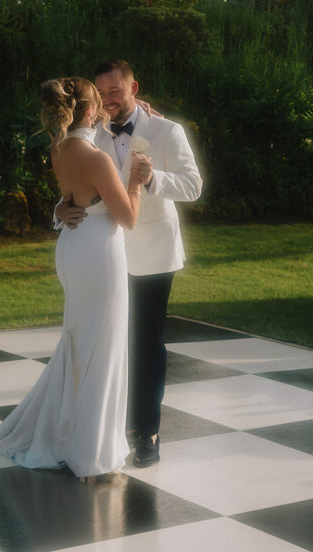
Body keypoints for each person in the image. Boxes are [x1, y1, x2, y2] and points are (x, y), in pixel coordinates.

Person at [0, 76, 145, 481]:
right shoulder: (97, 158)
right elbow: (127, 218)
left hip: (74, 247)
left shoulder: (59, 149)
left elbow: (71, 198)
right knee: (103, 347)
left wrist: (59, 209)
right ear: (90, 110)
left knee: (79, 342)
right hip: (99, 253)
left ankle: (67, 436)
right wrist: (135, 183)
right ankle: (91, 452)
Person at [56, 59, 202, 468]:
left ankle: (148, 432)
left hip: (154, 253)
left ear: (133, 88)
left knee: (147, 344)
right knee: (108, 342)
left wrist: (153, 179)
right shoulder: (91, 133)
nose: (108, 101)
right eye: (101, 93)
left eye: (115, 92)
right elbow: (76, 183)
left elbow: (193, 186)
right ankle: (109, 428)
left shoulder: (167, 130)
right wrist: (59, 211)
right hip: (107, 252)